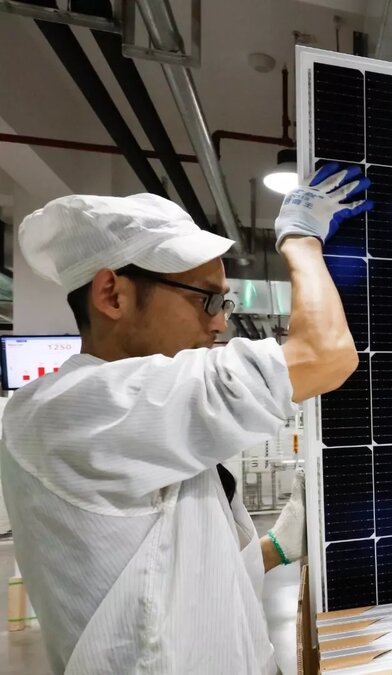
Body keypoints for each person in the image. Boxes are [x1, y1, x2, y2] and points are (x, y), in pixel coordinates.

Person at [0, 163, 372, 674]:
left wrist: (276, 546)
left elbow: (176, 576)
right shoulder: (69, 410)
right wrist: (300, 241)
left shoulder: (142, 420)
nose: (219, 321)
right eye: (205, 299)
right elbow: (325, 355)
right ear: (112, 294)